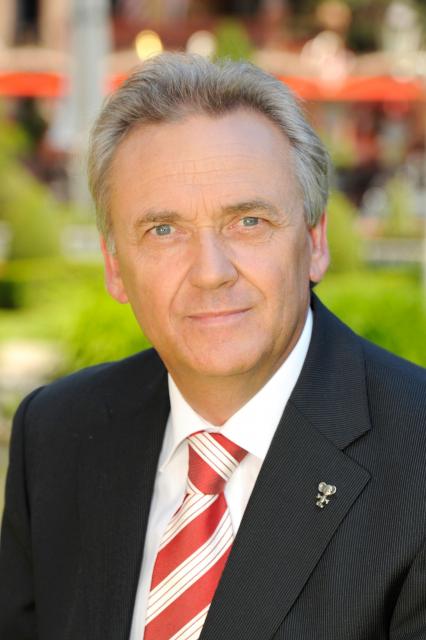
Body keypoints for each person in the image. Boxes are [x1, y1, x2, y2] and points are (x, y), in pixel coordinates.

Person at [0, 53, 425, 640]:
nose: (210, 272)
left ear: (315, 241)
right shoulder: (56, 433)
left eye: (247, 222)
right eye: (163, 230)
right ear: (115, 267)